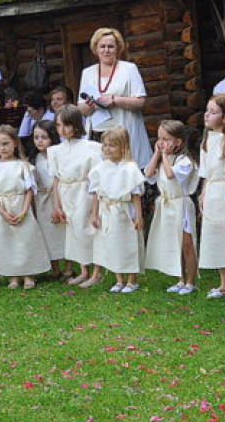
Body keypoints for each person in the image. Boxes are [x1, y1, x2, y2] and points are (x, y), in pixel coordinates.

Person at [77, 28, 152, 168]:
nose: (107, 50)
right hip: (98, 134)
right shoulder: (87, 73)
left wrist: (114, 100)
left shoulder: (129, 69)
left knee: (126, 172)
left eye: (111, 46)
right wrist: (91, 105)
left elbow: (140, 101)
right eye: (102, 46)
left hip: (124, 131)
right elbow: (81, 108)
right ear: (96, 48)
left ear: (118, 49)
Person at [0, 125, 48, 290]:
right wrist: (1, 212)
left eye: (6, 143)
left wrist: (24, 210)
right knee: (7, 241)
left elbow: (29, 190)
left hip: (20, 204)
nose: (2, 148)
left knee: (25, 239)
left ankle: (28, 273)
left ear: (14, 143)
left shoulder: (23, 166)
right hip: (3, 207)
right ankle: (13, 275)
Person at [88, 126, 145, 293]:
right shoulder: (100, 168)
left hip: (124, 210)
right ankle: (119, 278)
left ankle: (132, 280)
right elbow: (97, 193)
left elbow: (135, 194)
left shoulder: (130, 168)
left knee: (128, 243)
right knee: (112, 244)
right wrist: (94, 213)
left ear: (123, 147)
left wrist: (139, 216)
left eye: (112, 145)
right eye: (105, 145)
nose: (108, 149)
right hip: (107, 210)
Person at [145, 120, 199, 293]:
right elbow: (148, 174)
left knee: (186, 243)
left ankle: (191, 280)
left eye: (166, 139)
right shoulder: (163, 159)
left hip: (180, 204)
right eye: (159, 138)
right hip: (167, 204)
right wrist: (157, 154)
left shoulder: (184, 161)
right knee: (174, 242)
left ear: (178, 142)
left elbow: (170, 175)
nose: (162, 143)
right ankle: (180, 278)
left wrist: (165, 157)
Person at [51, 105, 102, 287]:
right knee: (74, 232)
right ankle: (83, 270)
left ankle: (96, 272)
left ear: (76, 125)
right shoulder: (56, 150)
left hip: (84, 191)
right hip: (67, 193)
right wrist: (57, 205)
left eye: (66, 125)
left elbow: (96, 176)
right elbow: (56, 178)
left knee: (88, 230)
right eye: (58, 125)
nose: (62, 130)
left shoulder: (92, 148)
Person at [199, 94, 225, 297]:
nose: (207, 115)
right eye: (207, 111)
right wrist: (203, 193)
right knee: (216, 236)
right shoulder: (207, 140)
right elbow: (206, 171)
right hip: (213, 191)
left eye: (213, 112)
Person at [31, 119, 66, 279]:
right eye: (36, 137)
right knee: (47, 232)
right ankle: (55, 268)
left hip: (56, 196)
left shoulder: (57, 154)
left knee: (62, 232)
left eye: (43, 137)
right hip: (41, 199)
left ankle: (69, 267)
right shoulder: (35, 158)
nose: (39, 141)